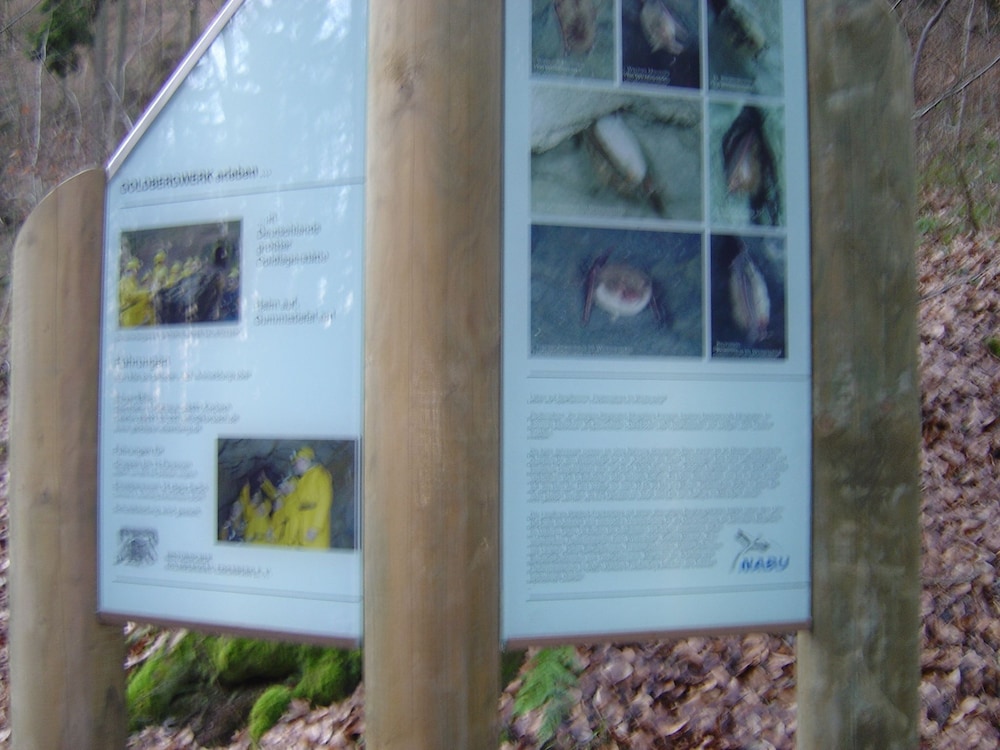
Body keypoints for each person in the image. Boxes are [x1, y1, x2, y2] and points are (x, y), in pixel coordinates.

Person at [278, 446, 333, 549]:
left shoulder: (320, 474)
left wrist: (316, 527)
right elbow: (296, 505)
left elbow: (324, 502)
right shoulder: (303, 480)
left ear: (305, 460)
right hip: (303, 528)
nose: (295, 466)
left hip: (314, 528)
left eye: (296, 462)